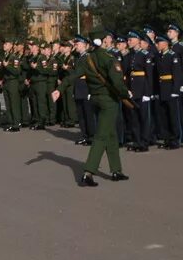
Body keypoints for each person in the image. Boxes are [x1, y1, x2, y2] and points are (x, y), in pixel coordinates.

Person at [54, 31, 129, 186]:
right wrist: (125, 93)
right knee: (101, 136)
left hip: (95, 99)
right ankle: (88, 173)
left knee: (111, 134)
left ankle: (116, 170)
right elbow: (117, 81)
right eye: (108, 39)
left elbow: (72, 76)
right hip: (109, 101)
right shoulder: (109, 58)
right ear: (103, 41)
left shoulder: (87, 59)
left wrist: (59, 89)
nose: (110, 41)